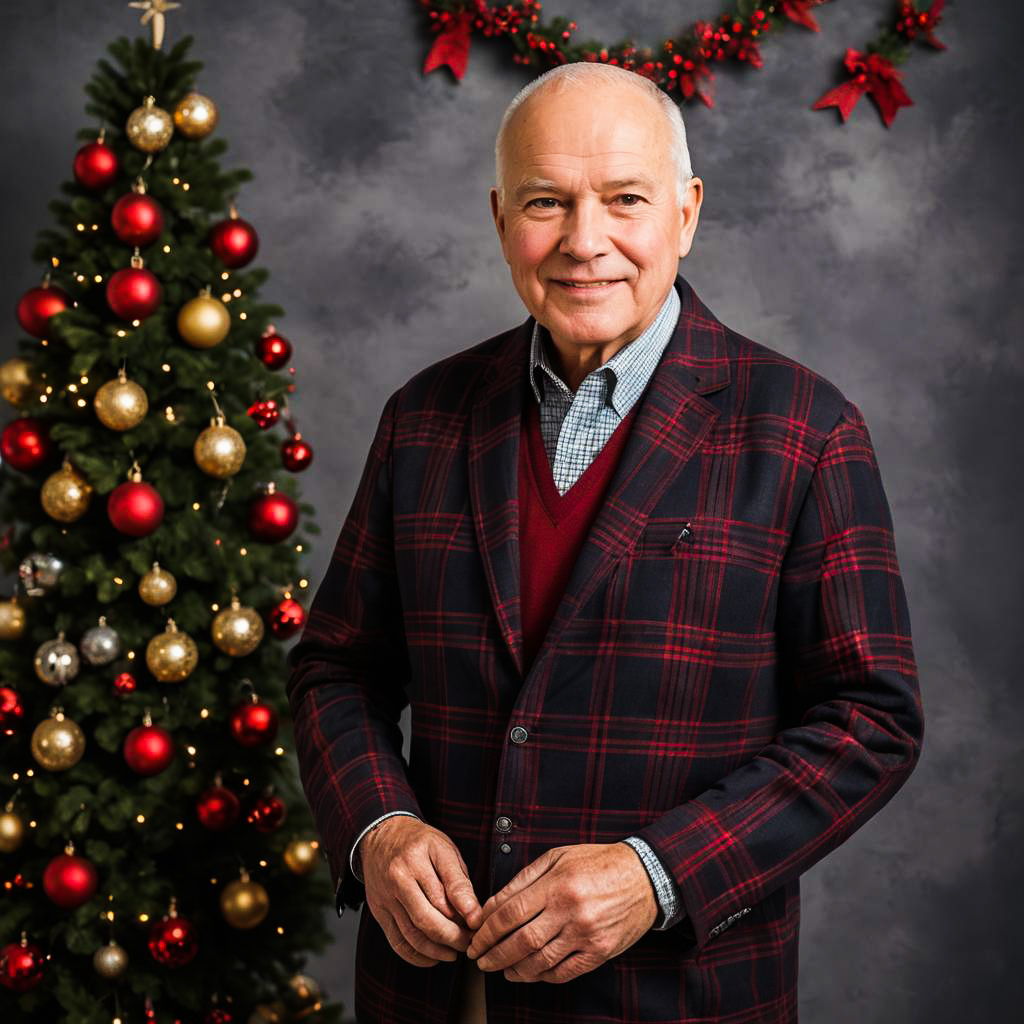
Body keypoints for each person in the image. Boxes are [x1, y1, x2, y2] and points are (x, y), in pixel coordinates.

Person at [286, 60, 924, 1024]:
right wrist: (378, 825)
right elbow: (337, 667)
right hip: (433, 989)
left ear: (686, 211)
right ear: (502, 216)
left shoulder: (804, 429)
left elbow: (870, 720)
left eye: (625, 198)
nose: (585, 243)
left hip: (681, 995)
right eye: (547, 201)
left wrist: (657, 873)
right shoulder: (422, 416)